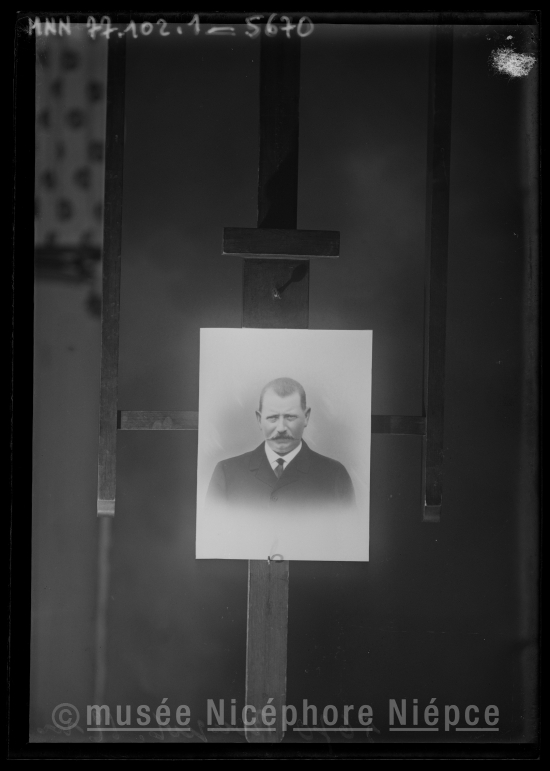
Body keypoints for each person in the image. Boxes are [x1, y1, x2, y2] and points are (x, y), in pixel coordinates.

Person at [205, 377, 355, 511]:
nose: (281, 428)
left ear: (306, 417)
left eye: (290, 417)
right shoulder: (226, 473)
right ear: (259, 419)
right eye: (272, 417)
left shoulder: (335, 475)